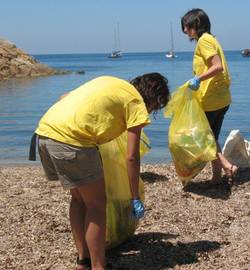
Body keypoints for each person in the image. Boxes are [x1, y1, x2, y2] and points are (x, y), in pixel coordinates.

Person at [34, 73, 170, 270]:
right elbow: (131, 156)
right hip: (71, 142)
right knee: (97, 205)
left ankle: (84, 261)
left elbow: (64, 96)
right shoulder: (135, 103)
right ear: (154, 99)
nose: (150, 112)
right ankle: (99, 266)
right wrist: (134, 196)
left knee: (79, 200)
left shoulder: (111, 82)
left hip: (45, 133)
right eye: (155, 108)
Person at [181, 8, 238, 182]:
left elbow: (217, 66)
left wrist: (197, 79)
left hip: (211, 100)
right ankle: (216, 176)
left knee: (205, 139)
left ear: (196, 24)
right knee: (212, 137)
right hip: (222, 99)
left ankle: (228, 166)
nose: (184, 31)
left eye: (186, 26)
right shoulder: (212, 39)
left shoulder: (204, 41)